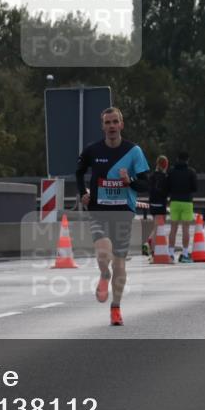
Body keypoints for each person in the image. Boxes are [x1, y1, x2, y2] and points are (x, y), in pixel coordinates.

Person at [76, 107, 150, 326]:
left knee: (119, 262)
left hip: (124, 212)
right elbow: (79, 172)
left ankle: (116, 308)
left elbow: (147, 182)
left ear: (121, 124)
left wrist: (131, 183)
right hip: (99, 209)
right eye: (107, 122)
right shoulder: (92, 150)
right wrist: (82, 193)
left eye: (114, 122)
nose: (111, 126)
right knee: (103, 253)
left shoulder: (134, 151)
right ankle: (104, 275)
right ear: (103, 126)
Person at [167, 151, 199, 263]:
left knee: (173, 228)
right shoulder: (191, 172)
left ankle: (170, 254)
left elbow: (168, 186)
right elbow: (195, 188)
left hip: (174, 201)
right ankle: (185, 254)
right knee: (186, 229)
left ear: (177, 159)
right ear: (188, 160)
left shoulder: (171, 171)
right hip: (187, 202)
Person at [142, 155, 170, 255]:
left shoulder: (152, 176)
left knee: (156, 225)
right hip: (161, 204)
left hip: (152, 204)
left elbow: (149, 189)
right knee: (158, 227)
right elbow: (167, 191)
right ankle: (152, 250)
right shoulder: (165, 177)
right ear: (165, 165)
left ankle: (149, 241)